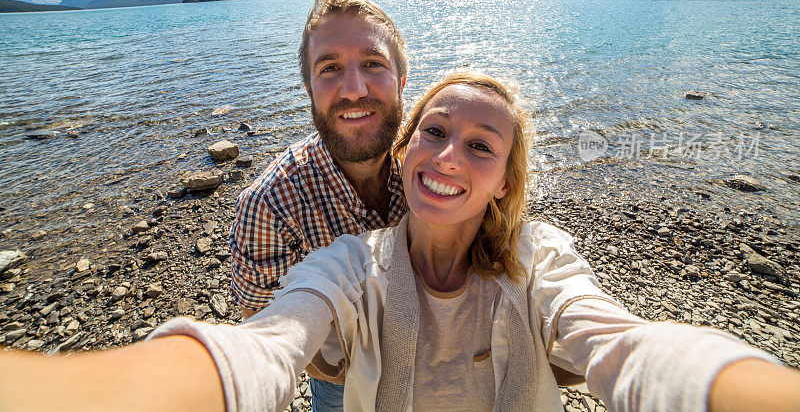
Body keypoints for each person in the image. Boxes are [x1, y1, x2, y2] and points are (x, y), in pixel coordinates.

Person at [2, 71, 799, 412]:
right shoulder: (355, 262)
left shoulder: (541, 259)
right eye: (437, 131)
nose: (449, 155)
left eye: (481, 146)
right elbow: (270, 341)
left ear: (504, 184)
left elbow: (623, 347)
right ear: (407, 145)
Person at [229, 0, 408, 409]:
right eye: (329, 68)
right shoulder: (269, 205)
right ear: (309, 89)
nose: (353, 89)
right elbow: (261, 324)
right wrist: (341, 368)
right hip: (339, 382)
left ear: (401, 79)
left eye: (372, 64)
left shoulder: (436, 164)